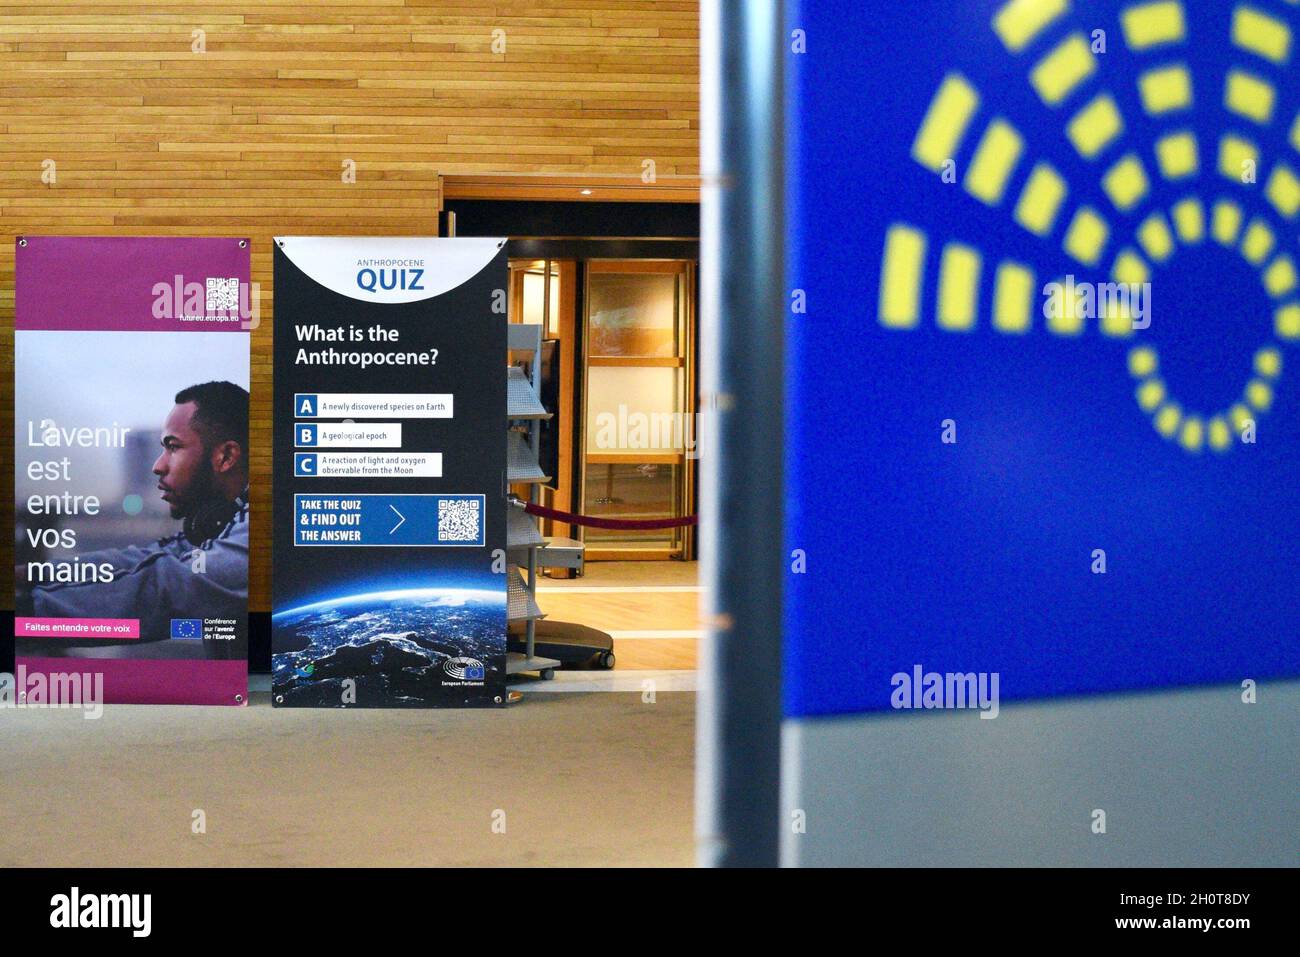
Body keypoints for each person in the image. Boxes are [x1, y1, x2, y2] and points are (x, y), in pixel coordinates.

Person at [19, 381, 249, 649]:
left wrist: (25, 612)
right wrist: (33, 573)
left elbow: (164, 587)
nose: (158, 465)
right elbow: (142, 562)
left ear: (226, 456)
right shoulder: (224, 523)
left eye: (173, 447)